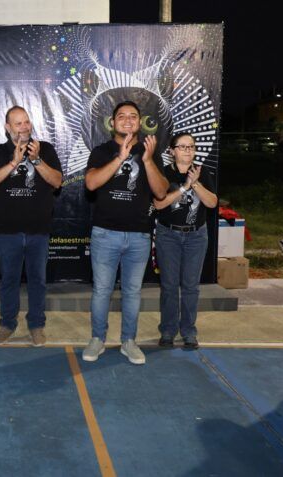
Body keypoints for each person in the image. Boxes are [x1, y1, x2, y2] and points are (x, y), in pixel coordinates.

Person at [82, 100, 168, 365]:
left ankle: (128, 341)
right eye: (122, 116)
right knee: (102, 291)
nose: (128, 120)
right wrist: (120, 157)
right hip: (105, 234)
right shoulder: (102, 151)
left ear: (140, 122)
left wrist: (147, 161)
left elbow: (161, 192)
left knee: (132, 292)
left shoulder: (150, 152)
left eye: (133, 116)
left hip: (139, 236)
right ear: (113, 122)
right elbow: (91, 183)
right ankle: (97, 339)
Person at [0, 105, 63, 347]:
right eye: (18, 123)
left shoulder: (45, 149)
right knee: (9, 281)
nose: (24, 127)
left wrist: (36, 160)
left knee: (38, 281)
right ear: (8, 127)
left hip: (39, 230)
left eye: (26, 122)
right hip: (8, 231)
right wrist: (13, 163)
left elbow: (57, 182)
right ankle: (7, 324)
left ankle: (36, 325)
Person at [154, 133, 217, 350]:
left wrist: (195, 183)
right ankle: (168, 330)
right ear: (172, 151)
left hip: (196, 236)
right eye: (182, 147)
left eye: (191, 146)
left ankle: (189, 331)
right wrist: (184, 187)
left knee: (191, 286)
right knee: (169, 286)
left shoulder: (202, 171)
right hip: (168, 235)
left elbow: (212, 203)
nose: (188, 150)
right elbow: (159, 204)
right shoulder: (164, 173)